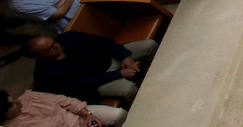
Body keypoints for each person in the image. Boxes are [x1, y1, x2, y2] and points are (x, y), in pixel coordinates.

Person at [26, 33, 157, 104]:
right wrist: (120, 74)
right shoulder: (46, 74)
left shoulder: (69, 38)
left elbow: (103, 42)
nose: (56, 46)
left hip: (110, 59)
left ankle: (157, 75)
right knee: (128, 90)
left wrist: (125, 57)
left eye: (53, 42)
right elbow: (83, 83)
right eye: (50, 48)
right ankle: (146, 105)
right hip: (100, 82)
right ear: (39, 56)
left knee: (149, 45)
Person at [1, 88, 127, 127]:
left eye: (13, 99)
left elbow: (63, 100)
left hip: (78, 115)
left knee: (119, 114)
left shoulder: (28, 97)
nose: (17, 102)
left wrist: (88, 114)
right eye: (12, 105)